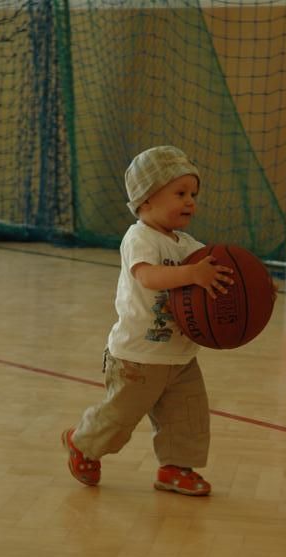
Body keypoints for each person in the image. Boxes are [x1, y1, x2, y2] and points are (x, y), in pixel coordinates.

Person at [62, 145, 234, 496]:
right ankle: (83, 442)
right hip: (137, 357)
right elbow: (148, 277)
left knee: (187, 417)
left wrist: (253, 288)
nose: (190, 202)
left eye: (193, 195)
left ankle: (175, 468)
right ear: (146, 199)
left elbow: (216, 270)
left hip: (181, 355)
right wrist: (192, 274)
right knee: (119, 419)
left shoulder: (187, 244)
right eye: (180, 193)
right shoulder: (139, 237)